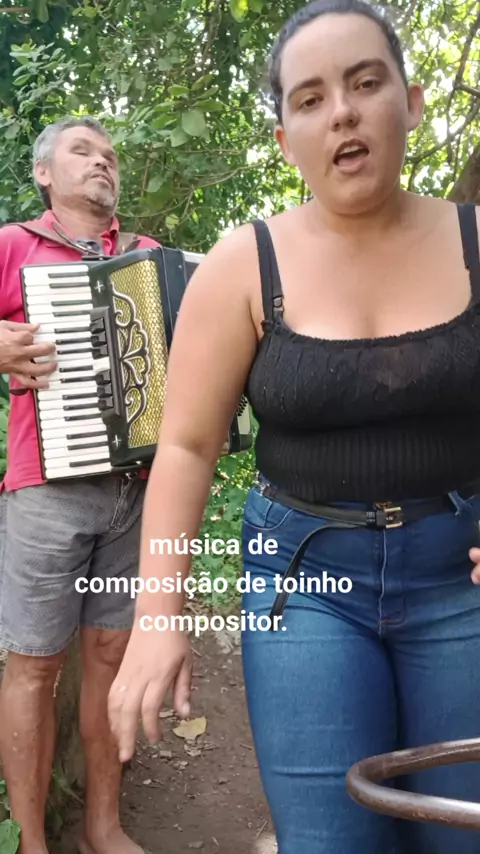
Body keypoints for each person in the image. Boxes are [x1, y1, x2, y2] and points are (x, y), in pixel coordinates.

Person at [107, 2, 480, 852]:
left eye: (365, 83)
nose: (342, 111)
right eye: (310, 99)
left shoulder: (476, 242)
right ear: (285, 139)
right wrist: (157, 617)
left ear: (411, 102)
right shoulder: (243, 264)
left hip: (460, 581)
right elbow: (187, 446)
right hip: (304, 584)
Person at [0, 115, 159, 854]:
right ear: (43, 173)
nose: (102, 162)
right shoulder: (14, 244)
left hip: (138, 491)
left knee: (110, 658)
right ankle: (32, 843)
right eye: (82, 150)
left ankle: (103, 827)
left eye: (110, 155)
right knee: (34, 667)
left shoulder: (148, 258)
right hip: (46, 490)